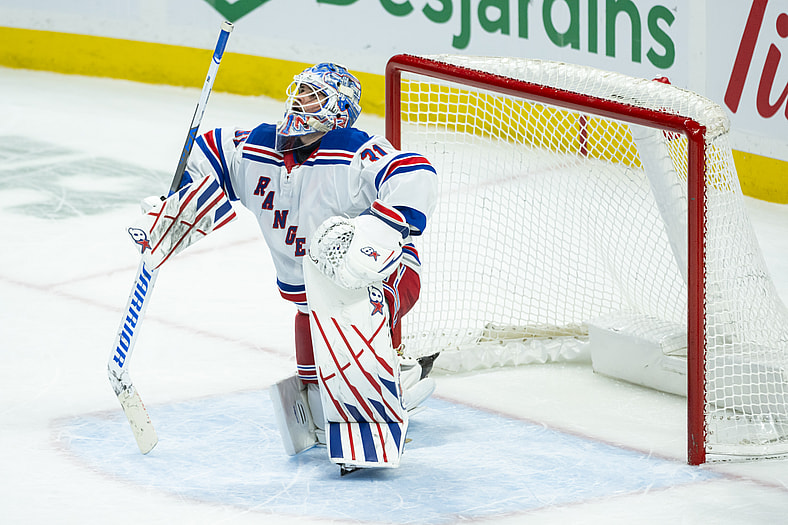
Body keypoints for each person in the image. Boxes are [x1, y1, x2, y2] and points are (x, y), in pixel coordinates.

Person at [180, 62, 439, 458]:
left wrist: (378, 231)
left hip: (383, 276)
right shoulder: (257, 147)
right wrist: (178, 208)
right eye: (298, 90)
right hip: (312, 287)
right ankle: (335, 389)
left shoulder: (353, 150)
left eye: (313, 95)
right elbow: (206, 154)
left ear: (337, 113)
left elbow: (415, 172)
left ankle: (383, 375)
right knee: (311, 328)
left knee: (353, 307)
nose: (299, 100)